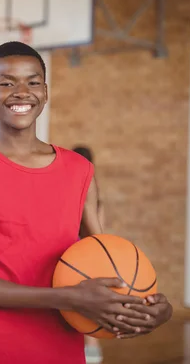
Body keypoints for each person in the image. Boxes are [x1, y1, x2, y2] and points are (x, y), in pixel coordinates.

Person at [0, 41, 173, 364]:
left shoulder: (80, 170)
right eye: (7, 83)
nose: (22, 92)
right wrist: (68, 298)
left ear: (46, 92)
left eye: (33, 82)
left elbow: (105, 264)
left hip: (63, 348)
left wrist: (148, 307)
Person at [73, 145, 105, 363]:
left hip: (84, 254)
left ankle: (92, 343)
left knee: (86, 303)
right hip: (72, 255)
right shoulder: (63, 190)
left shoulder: (93, 194)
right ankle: (90, 344)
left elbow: (99, 229)